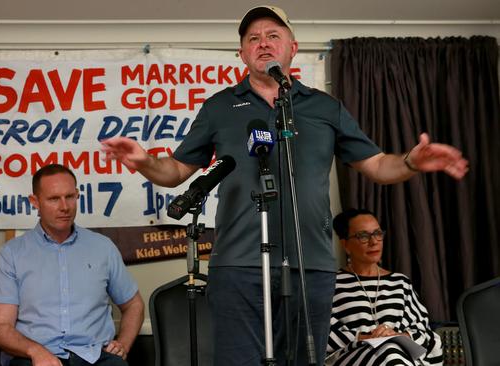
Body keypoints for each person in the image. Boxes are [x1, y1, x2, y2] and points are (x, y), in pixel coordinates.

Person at [101, 5, 467, 366]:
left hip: (311, 265)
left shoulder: (325, 108)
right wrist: (145, 162)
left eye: (273, 35)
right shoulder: (219, 107)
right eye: (253, 38)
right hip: (238, 264)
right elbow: (178, 170)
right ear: (242, 53)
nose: (263, 43)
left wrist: (410, 162)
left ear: (292, 48)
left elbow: (375, 165)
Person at [0, 164, 144, 366]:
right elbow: (0, 328)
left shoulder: (102, 247)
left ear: (78, 195)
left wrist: (123, 344)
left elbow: (134, 304)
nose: (64, 207)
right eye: (53, 199)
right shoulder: (10, 255)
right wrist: (36, 352)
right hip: (33, 357)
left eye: (70, 196)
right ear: (35, 202)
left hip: (95, 356)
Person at [326, 209, 443, 365]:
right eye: (363, 236)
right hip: (355, 357)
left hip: (401, 355)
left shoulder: (401, 283)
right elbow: (322, 333)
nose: (373, 241)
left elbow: (423, 331)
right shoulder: (331, 284)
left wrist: (397, 335)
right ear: (345, 244)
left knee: (392, 351)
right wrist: (365, 337)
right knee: (389, 352)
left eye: (377, 233)